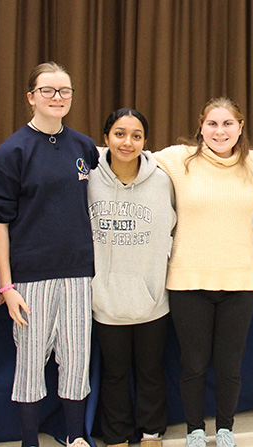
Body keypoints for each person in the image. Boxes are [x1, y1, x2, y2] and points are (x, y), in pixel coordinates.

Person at [0, 62, 99, 447]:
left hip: (79, 274)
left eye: (64, 91)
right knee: (31, 366)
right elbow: (0, 226)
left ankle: (75, 437)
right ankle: (29, 442)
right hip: (30, 279)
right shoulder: (10, 152)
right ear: (31, 97)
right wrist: (6, 286)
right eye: (48, 91)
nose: (57, 98)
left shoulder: (84, 147)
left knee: (76, 362)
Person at [153, 97, 253, 447]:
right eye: (212, 124)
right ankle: (195, 430)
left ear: (240, 127)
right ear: (201, 126)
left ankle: (226, 428)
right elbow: (124, 154)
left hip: (239, 282)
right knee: (194, 365)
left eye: (228, 123)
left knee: (230, 366)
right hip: (189, 282)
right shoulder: (178, 159)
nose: (220, 131)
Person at [88, 109, 176, 447]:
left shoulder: (163, 180)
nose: (128, 142)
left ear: (145, 141)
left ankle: (151, 434)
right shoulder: (89, 178)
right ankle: (117, 437)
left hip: (152, 298)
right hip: (107, 300)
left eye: (136, 135)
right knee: (114, 375)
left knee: (151, 373)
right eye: (120, 134)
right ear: (106, 136)